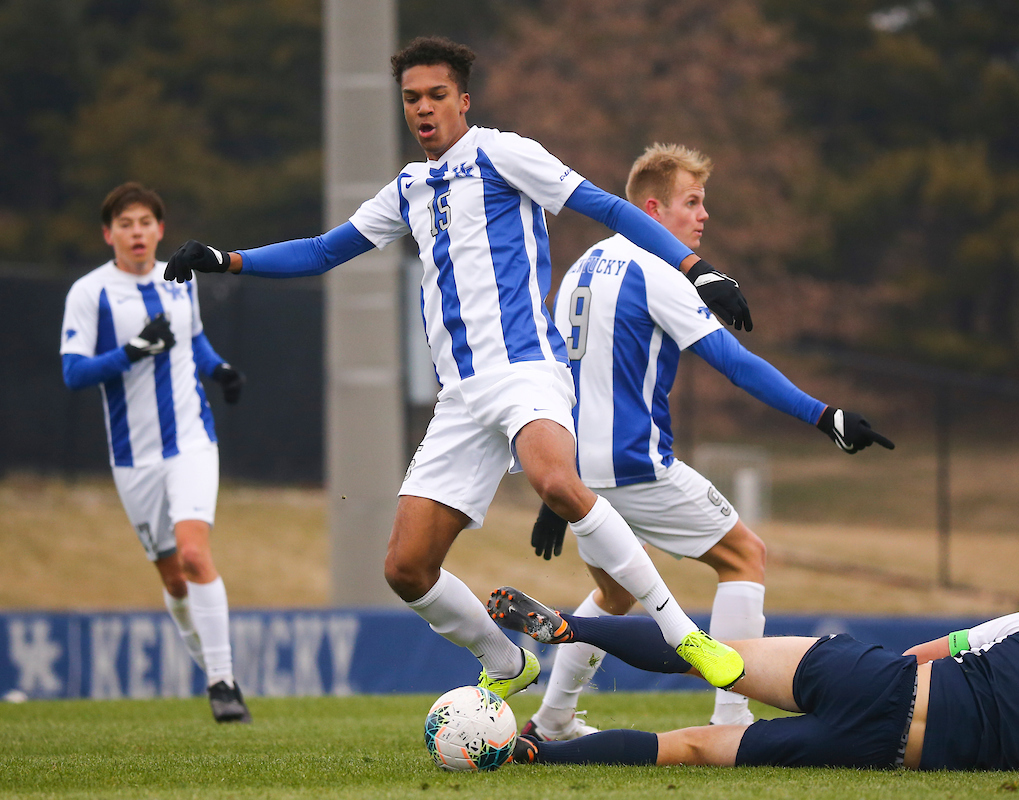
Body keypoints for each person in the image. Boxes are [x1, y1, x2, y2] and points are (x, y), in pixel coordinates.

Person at [161, 37, 755, 699]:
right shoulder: (409, 188)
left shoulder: (503, 152)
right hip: (462, 398)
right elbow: (323, 251)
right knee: (406, 569)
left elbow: (607, 208)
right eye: (411, 97)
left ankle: (683, 635)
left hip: (527, 369)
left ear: (463, 100)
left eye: (436, 95)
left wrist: (697, 270)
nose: (423, 108)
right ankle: (507, 664)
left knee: (557, 481)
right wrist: (225, 259)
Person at [513, 143, 894, 740]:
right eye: (692, 202)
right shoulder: (658, 268)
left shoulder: (583, 267)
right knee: (744, 556)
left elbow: (566, 379)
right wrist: (826, 415)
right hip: (637, 467)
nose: (703, 216)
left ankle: (553, 719)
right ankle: (731, 721)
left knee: (613, 593)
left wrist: (556, 488)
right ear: (652, 208)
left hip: (582, 472)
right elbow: (735, 364)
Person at [492, 583, 1019, 771]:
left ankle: (572, 629)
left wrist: (870, 672)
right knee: (688, 748)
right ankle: (537, 757)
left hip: (884, 685)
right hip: (880, 753)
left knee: (710, 652)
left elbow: (933, 653)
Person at [59, 182, 250, 722]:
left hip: (191, 439)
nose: (137, 232)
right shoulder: (90, 293)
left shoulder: (178, 280)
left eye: (145, 222)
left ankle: (222, 683)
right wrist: (132, 351)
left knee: (194, 555)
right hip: (133, 456)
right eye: (126, 224)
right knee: (172, 579)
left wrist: (221, 370)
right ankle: (212, 670)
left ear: (159, 229)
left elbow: (194, 342)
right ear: (108, 234)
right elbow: (74, 372)